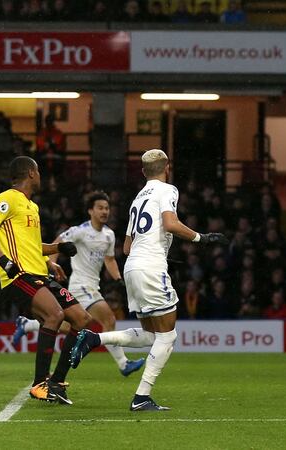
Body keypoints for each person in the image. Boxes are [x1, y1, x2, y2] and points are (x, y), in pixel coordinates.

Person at [70, 149, 229, 411]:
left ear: (143, 172)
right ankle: (141, 396)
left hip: (133, 266)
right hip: (151, 267)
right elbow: (170, 223)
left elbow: (127, 247)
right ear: (167, 167)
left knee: (150, 335)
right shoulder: (168, 190)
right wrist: (203, 238)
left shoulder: (137, 198)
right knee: (167, 336)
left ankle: (94, 339)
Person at [0, 156, 85, 405]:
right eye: (39, 171)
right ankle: (39, 384)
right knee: (55, 315)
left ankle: (56, 381)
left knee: (81, 318)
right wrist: (3, 260)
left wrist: (57, 250)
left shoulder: (31, 207)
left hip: (40, 272)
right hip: (19, 275)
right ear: (31, 173)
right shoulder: (7, 198)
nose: (41, 175)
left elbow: (34, 246)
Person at [12, 191, 146, 377]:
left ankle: (28, 325)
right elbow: (57, 243)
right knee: (109, 319)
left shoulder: (109, 235)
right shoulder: (81, 231)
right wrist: (52, 264)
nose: (104, 211)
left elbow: (109, 260)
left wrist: (118, 279)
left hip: (92, 286)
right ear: (90, 211)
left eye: (107, 208)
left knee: (67, 326)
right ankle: (124, 364)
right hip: (81, 286)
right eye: (100, 208)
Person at [35, 114, 66, 181]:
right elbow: (40, 144)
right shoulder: (42, 133)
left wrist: (51, 145)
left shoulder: (58, 133)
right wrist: (48, 145)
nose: (49, 123)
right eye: (47, 121)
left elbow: (59, 145)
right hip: (44, 159)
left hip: (56, 159)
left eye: (50, 121)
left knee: (58, 178)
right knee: (44, 178)